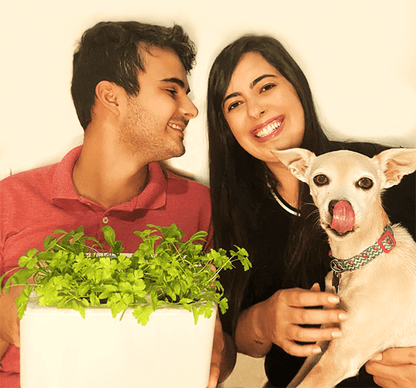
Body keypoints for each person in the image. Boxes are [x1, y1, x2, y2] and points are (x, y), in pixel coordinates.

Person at [0, 21, 214, 388]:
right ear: (111, 96)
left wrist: (208, 345)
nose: (191, 109)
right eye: (171, 91)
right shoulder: (9, 199)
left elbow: (215, 361)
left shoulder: (197, 206)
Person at [207, 35, 416, 387]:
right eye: (234, 104)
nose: (255, 110)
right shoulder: (235, 209)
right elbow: (232, 341)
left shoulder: (383, 172)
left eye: (266, 87)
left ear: (297, 87)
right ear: (226, 127)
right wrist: (263, 321)